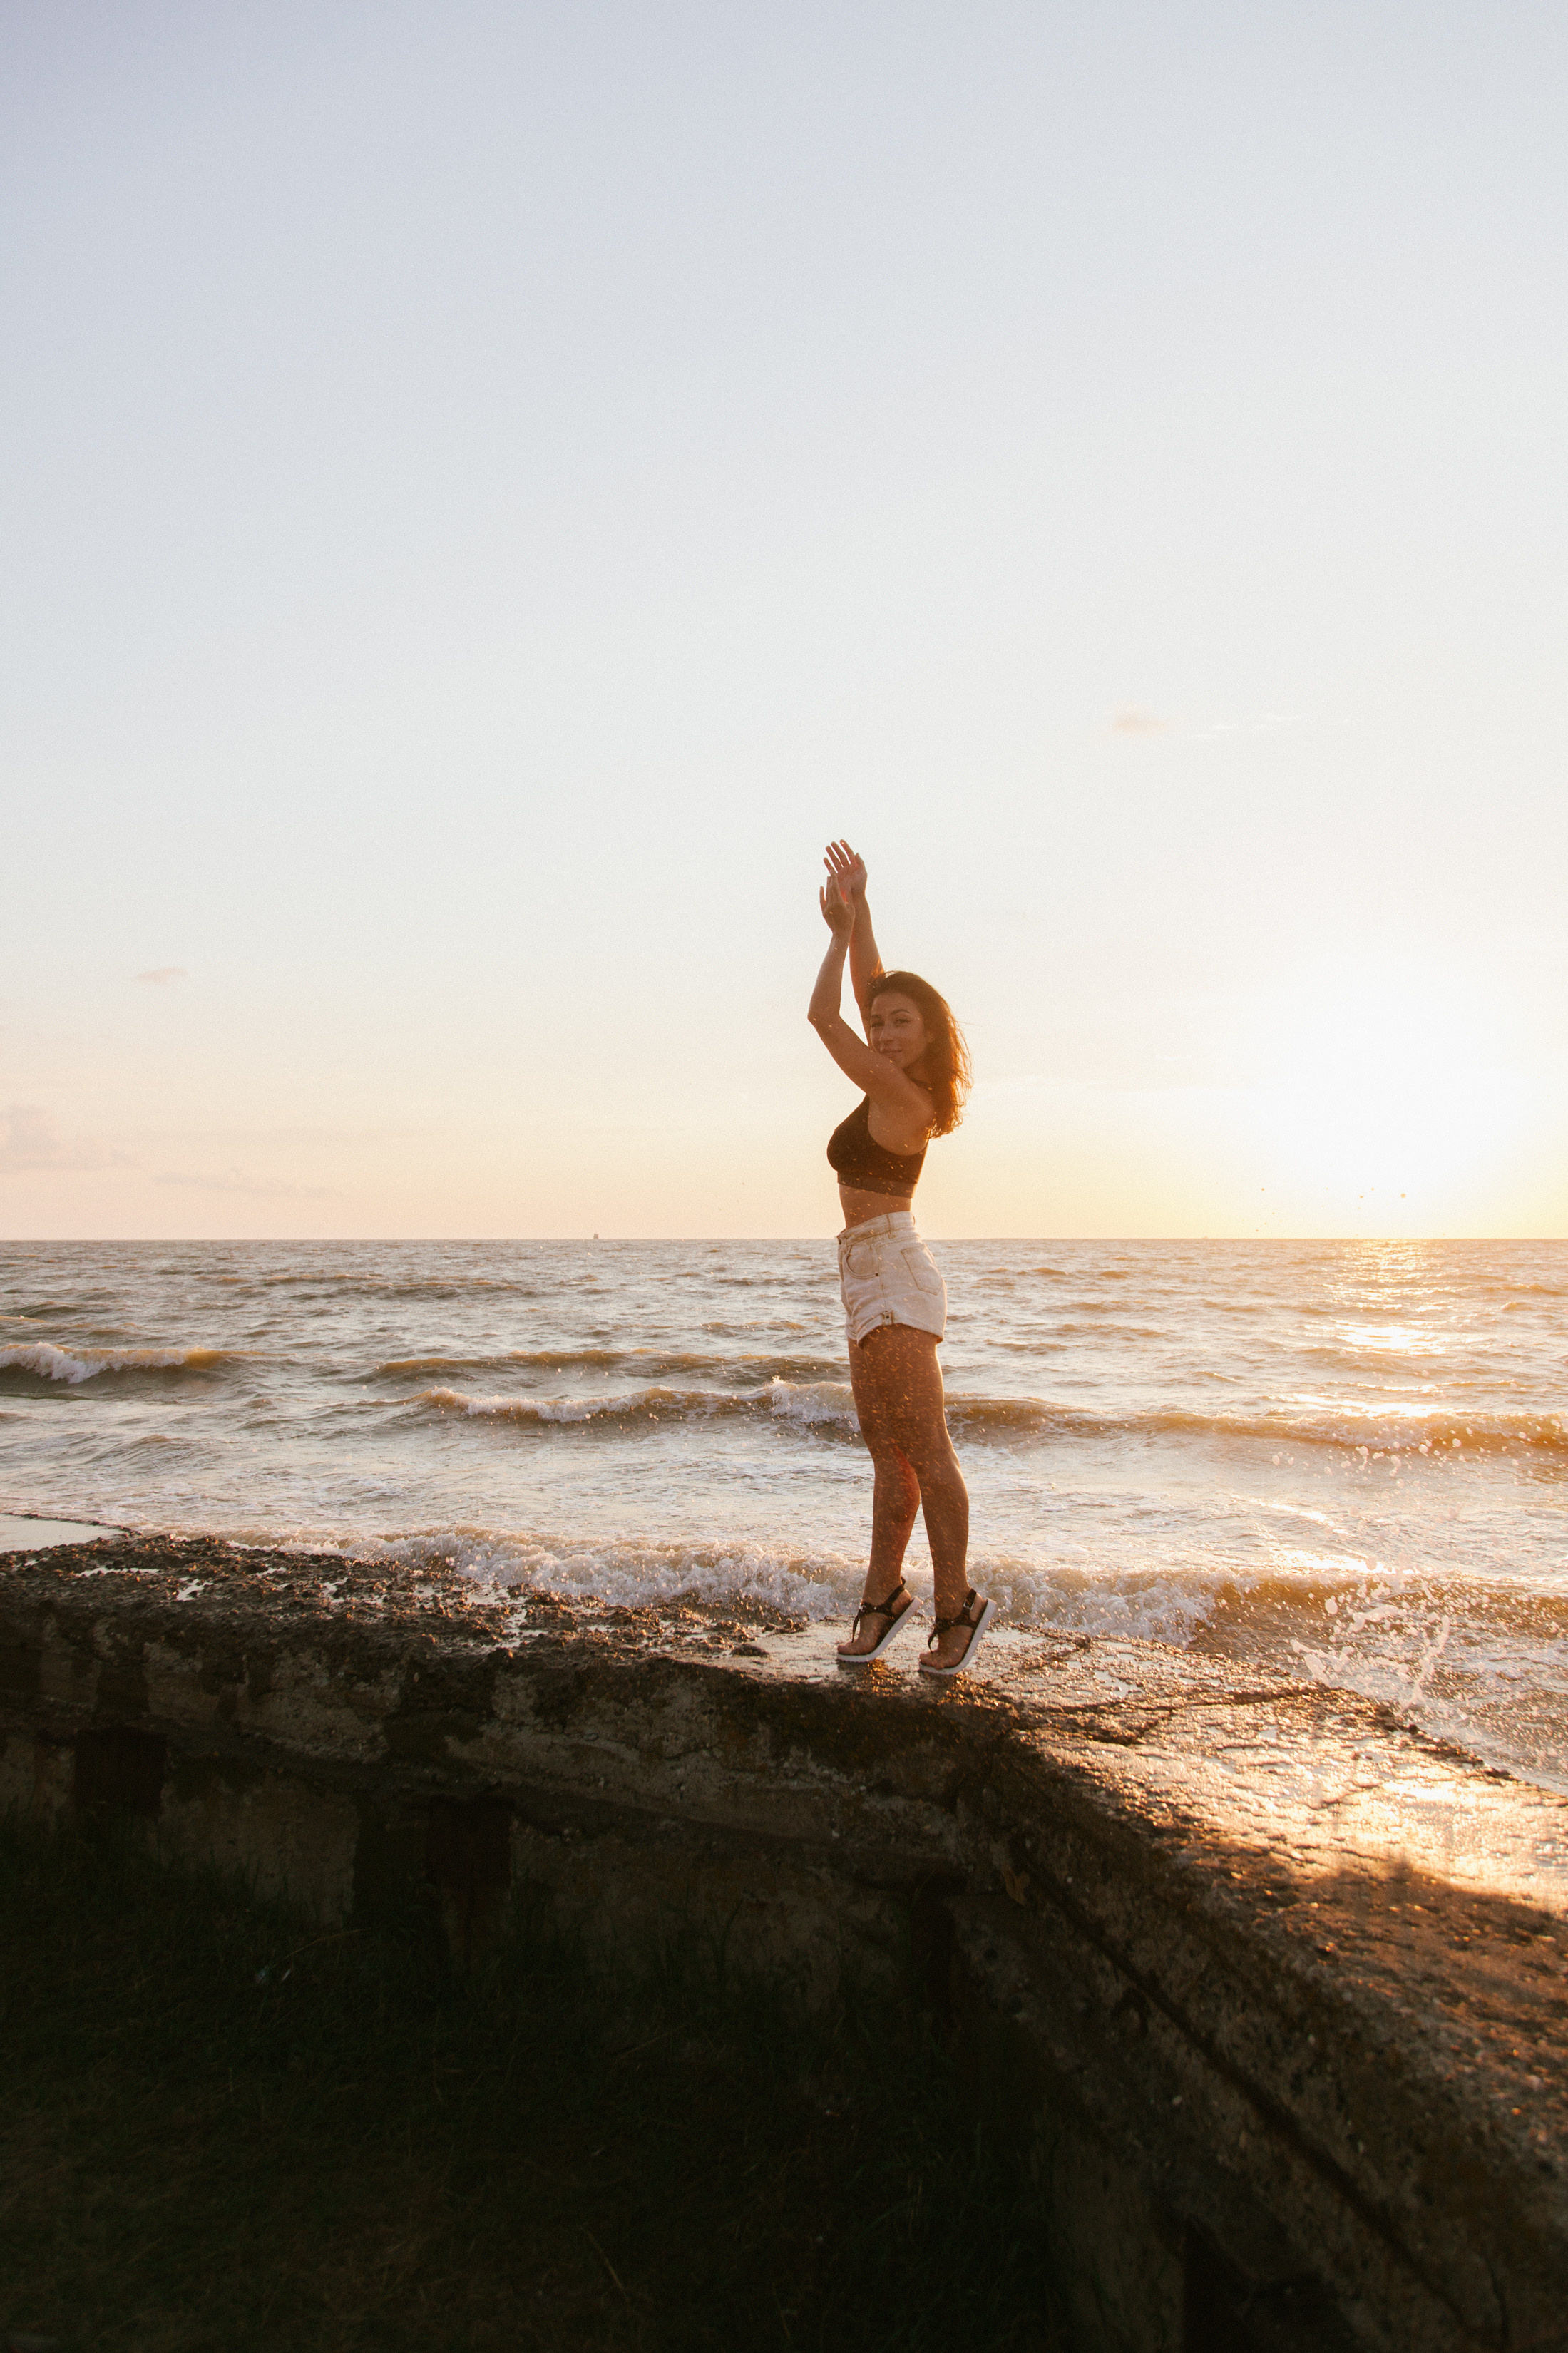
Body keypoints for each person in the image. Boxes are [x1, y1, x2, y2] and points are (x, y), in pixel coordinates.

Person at [809, 839, 995, 1679]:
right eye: (879, 1022)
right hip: (864, 1272)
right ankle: (885, 1597)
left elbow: (823, 1017)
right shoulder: (892, 1073)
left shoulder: (904, 1094)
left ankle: (958, 1604)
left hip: (894, 1274)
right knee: (888, 1451)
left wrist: (837, 936)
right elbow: (869, 995)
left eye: (897, 1024)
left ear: (926, 1041)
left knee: (927, 1448)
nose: (881, 1029)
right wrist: (863, 911)